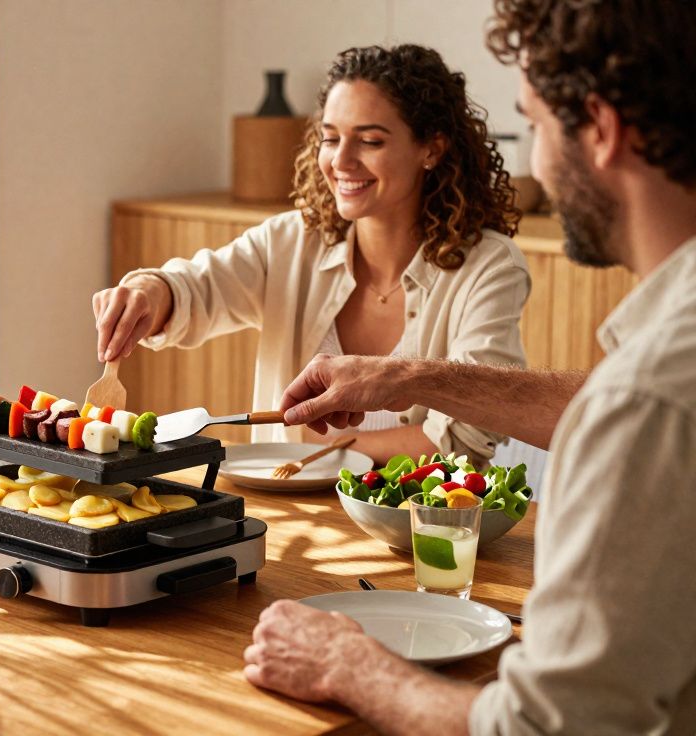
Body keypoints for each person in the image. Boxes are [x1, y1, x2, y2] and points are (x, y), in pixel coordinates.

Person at [245, 1, 696, 733]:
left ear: (602, 130)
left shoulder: (647, 401)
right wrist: (407, 379)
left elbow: (543, 727)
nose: (536, 163)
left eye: (537, 127)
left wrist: (350, 666)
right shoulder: (660, 372)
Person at [93, 44, 528, 464]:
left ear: (431, 148)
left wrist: (307, 459)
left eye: (370, 141)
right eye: (330, 138)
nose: (341, 160)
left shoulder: (489, 267)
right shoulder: (292, 240)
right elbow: (198, 288)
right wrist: (149, 290)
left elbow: (468, 436)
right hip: (287, 520)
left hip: (414, 530)